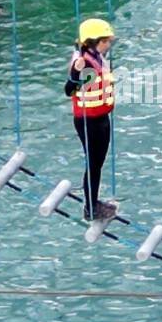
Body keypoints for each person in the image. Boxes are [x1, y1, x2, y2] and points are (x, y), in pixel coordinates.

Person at [64, 18, 118, 220]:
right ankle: (90, 209)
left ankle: (93, 201)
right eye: (106, 41)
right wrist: (76, 74)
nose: (108, 45)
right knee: (93, 164)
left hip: (102, 118)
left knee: (98, 162)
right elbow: (68, 90)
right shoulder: (83, 62)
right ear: (95, 41)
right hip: (89, 121)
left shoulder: (97, 58)